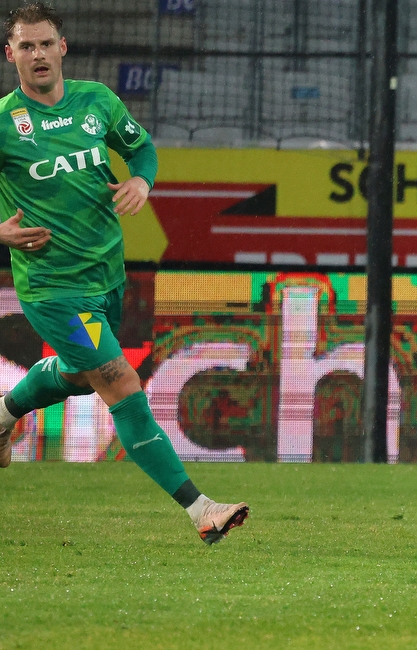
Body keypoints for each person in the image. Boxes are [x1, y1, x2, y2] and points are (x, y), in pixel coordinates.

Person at [0, 3, 248, 545]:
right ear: (10, 53)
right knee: (119, 382)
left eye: (46, 43)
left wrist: (141, 180)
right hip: (52, 289)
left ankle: (4, 414)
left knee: (77, 376)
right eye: (27, 46)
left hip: (106, 278)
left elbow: (142, 148)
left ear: (63, 47)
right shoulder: (3, 123)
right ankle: (202, 510)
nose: (38, 54)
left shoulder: (97, 101)